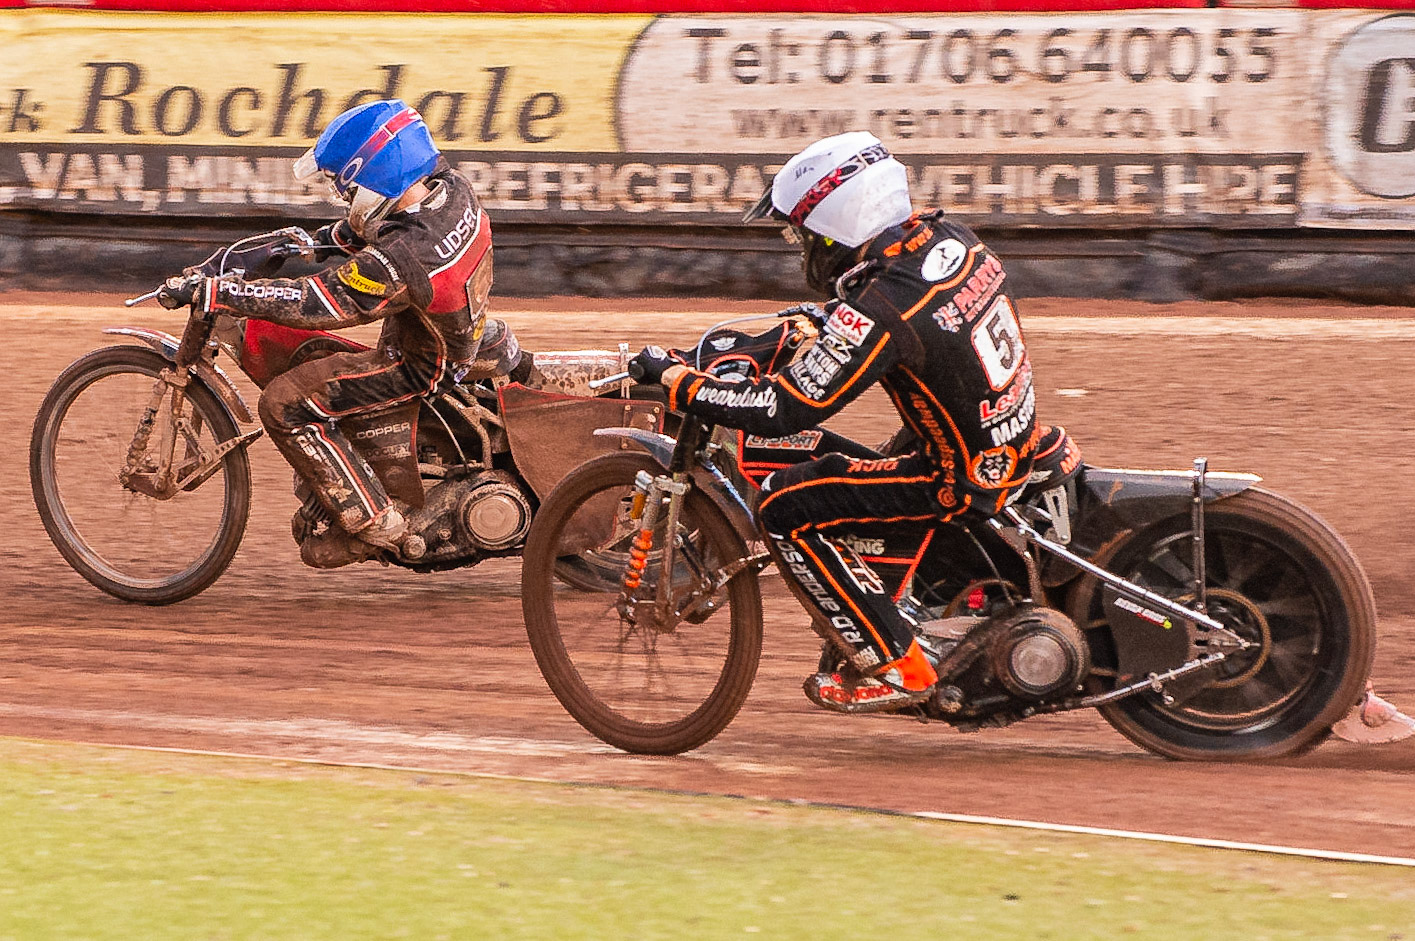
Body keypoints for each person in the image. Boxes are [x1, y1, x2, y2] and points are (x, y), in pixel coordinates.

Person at [630, 131, 1048, 713]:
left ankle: (897, 664)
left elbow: (785, 410)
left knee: (784, 505)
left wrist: (682, 384)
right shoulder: (948, 240)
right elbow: (857, 319)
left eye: (806, 235)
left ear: (837, 223)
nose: (804, 250)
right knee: (853, 468)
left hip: (962, 475)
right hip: (1001, 433)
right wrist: (791, 331)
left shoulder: (882, 308)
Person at [159, 99, 494, 569]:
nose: (343, 196)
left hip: (416, 366)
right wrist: (309, 242)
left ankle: (375, 523)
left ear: (374, 174)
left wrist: (225, 292)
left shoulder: (404, 258)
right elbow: (383, 229)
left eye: (346, 187)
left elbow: (319, 303)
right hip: (458, 332)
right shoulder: (451, 192)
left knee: (283, 405)